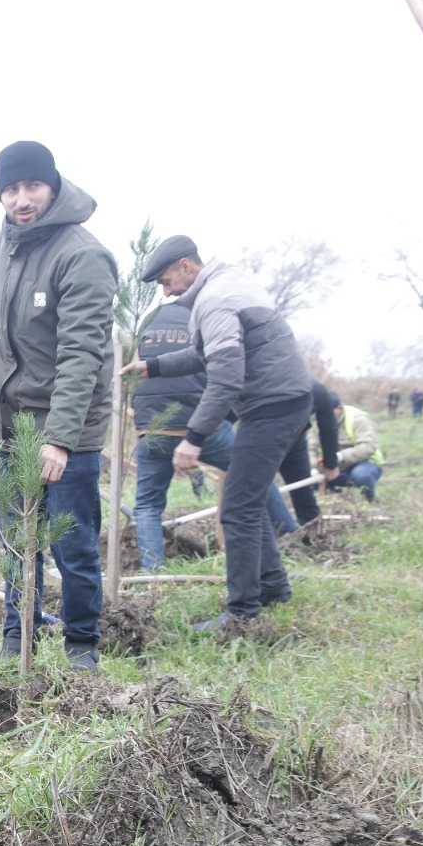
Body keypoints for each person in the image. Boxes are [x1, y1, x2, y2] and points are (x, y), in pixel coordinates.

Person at [0, 140, 115, 673]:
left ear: (53, 185)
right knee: (18, 540)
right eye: (11, 188)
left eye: (33, 186)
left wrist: (60, 438)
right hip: (10, 423)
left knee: (72, 543)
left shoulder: (81, 254)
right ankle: (18, 636)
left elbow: (82, 354)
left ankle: (81, 645)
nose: (22, 199)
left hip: (68, 429)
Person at [122, 236, 314, 632]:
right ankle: (274, 586)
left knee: (237, 509)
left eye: (166, 280)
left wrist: (193, 438)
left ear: (187, 267)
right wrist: (152, 367)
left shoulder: (215, 300)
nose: (167, 291)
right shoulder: (225, 285)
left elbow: (224, 377)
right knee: (249, 499)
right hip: (283, 401)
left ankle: (243, 614)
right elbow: (202, 356)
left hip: (271, 405)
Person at [130, 303, 297, 569]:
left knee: (147, 505)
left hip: (151, 426)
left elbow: (135, 370)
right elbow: (225, 374)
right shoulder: (206, 317)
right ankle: (290, 535)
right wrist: (228, 417)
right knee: (256, 474)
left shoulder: (149, 319)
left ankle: (153, 573)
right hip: (200, 428)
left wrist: (136, 409)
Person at [273, 377, 340, 534]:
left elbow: (328, 427)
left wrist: (331, 463)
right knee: (260, 490)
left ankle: (314, 537)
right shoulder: (264, 382)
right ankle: (280, 534)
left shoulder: (316, 389)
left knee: (303, 490)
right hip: (261, 439)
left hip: (296, 439)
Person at [322, 394, 384, 501]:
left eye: (328, 413)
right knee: (310, 479)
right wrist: (313, 467)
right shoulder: (321, 420)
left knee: (361, 476)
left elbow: (368, 446)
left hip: (365, 462)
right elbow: (311, 446)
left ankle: (370, 499)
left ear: (339, 408)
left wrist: (340, 456)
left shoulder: (359, 419)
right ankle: (335, 500)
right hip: (336, 466)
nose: (324, 416)